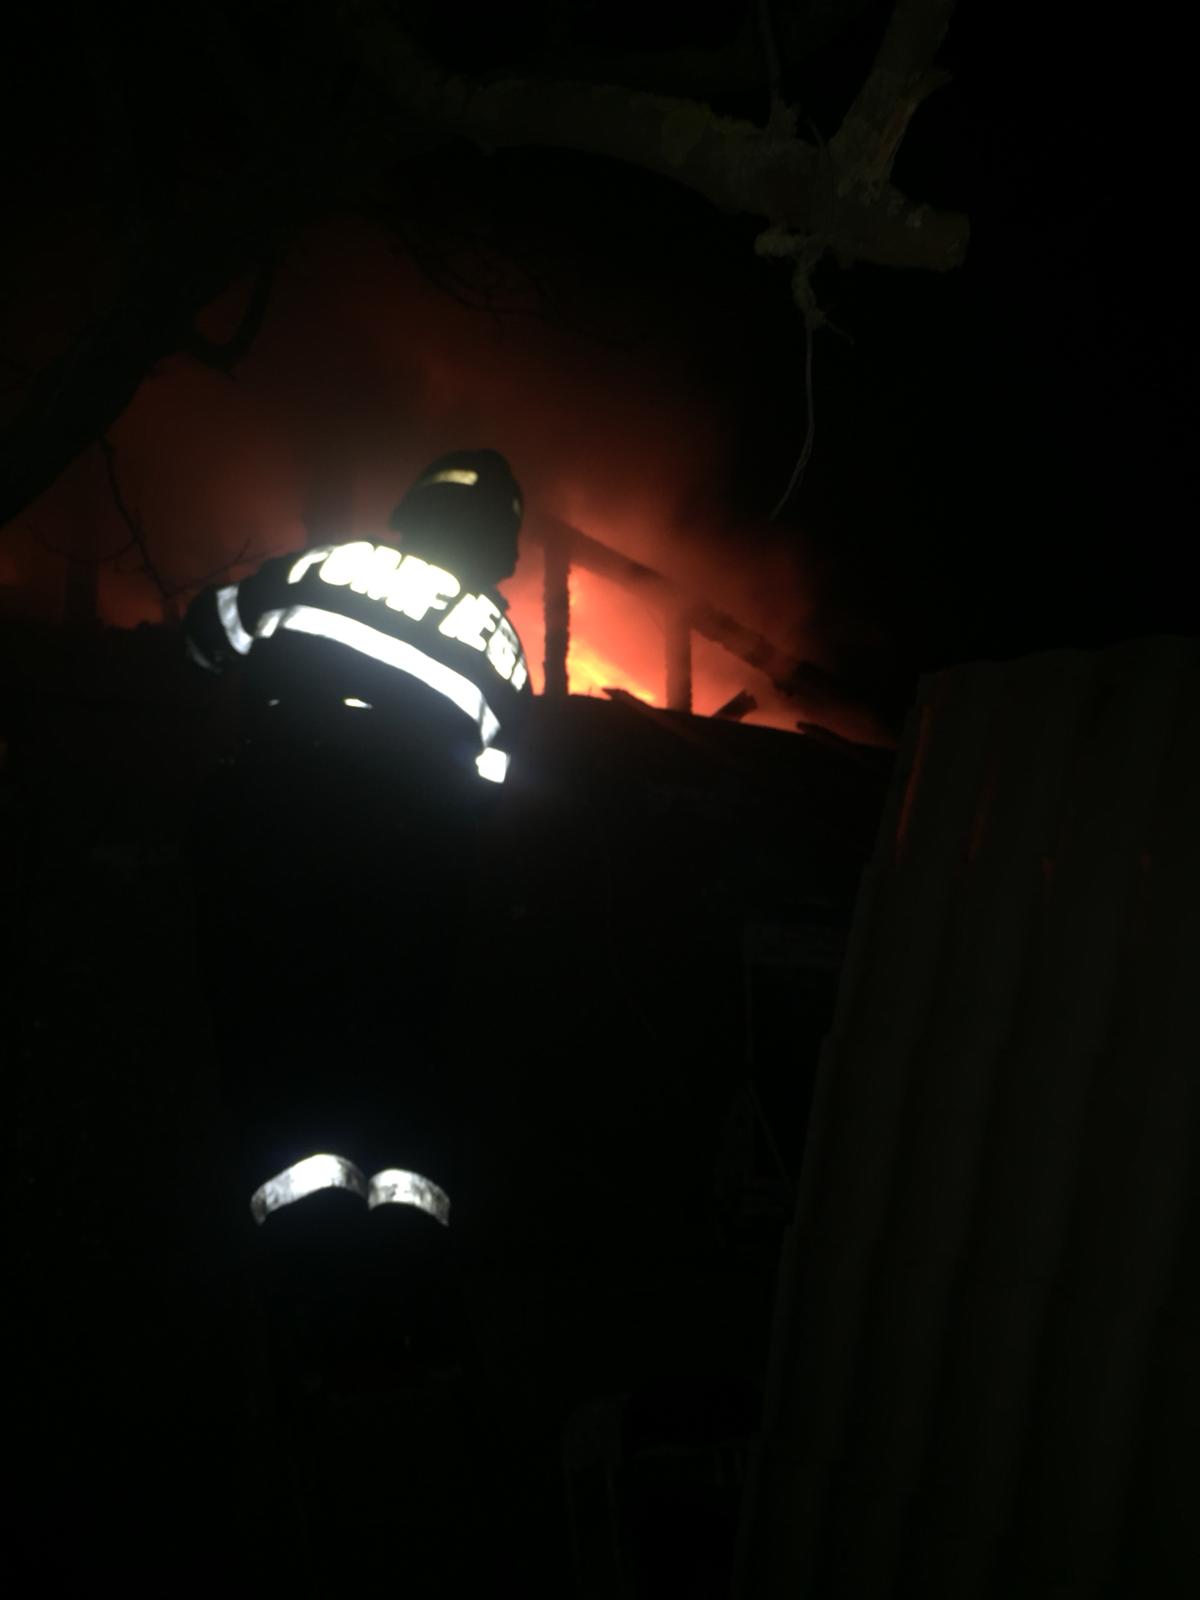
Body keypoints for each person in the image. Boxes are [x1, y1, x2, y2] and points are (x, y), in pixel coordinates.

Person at [185, 449, 531, 1386]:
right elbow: (497, 785)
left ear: (411, 512)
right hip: (412, 871)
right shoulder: (503, 640)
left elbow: (207, 635)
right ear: (499, 549)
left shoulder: (326, 562)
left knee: (280, 1028)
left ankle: (301, 1280)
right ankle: (403, 1286)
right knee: (397, 1050)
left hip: (280, 828)